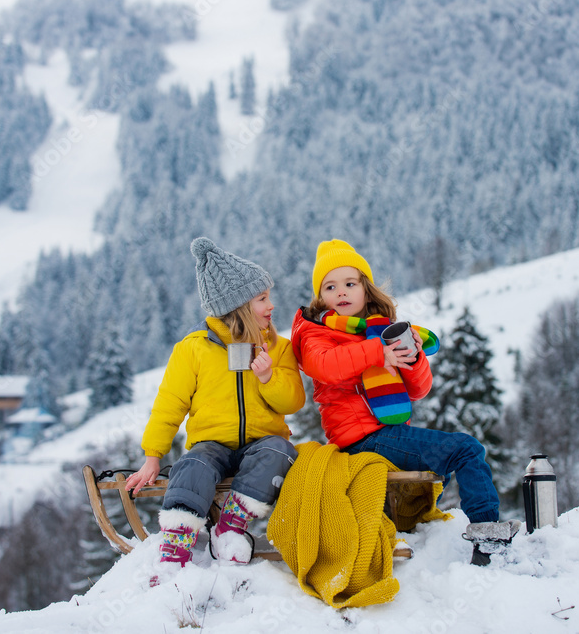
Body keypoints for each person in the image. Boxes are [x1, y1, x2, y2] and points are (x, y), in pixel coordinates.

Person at [289, 239, 517, 562]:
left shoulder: (379, 329)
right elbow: (325, 366)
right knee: (466, 449)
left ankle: (481, 539)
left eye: (349, 283)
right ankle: (488, 533)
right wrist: (377, 353)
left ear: (365, 289)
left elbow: (420, 390)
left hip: (387, 435)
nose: (341, 292)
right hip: (364, 438)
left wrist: (412, 359)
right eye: (330, 286)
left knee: (458, 453)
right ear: (320, 297)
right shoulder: (316, 333)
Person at [125, 237, 305, 579]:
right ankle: (176, 543)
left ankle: (231, 526)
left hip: (261, 443)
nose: (272, 306)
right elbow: (169, 405)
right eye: (262, 299)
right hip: (212, 445)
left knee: (280, 450)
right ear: (236, 306)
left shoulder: (278, 348)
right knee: (192, 462)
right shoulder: (194, 349)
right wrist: (152, 455)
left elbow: (295, 401)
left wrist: (268, 378)